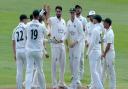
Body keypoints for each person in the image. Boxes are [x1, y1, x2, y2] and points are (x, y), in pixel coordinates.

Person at [25, 10, 47, 89]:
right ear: (38, 16)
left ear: (33, 15)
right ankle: (43, 87)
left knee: (29, 71)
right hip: (38, 51)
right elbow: (48, 34)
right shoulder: (41, 26)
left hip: (29, 50)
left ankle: (28, 87)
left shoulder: (27, 25)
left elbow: (26, 36)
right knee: (40, 70)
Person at [48, 6, 67, 89]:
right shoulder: (52, 19)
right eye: (57, 11)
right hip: (54, 45)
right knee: (54, 65)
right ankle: (54, 84)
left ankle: (61, 82)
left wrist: (63, 39)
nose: (58, 13)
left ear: (61, 12)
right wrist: (47, 11)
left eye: (59, 11)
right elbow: (46, 20)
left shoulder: (63, 21)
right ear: (55, 12)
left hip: (62, 45)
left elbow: (65, 33)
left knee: (63, 64)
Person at [67, 8, 84, 89]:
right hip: (71, 46)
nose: (72, 14)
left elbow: (82, 35)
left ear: (75, 13)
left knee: (76, 64)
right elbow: (67, 34)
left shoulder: (79, 23)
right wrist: (64, 42)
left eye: (73, 13)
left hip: (77, 46)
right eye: (71, 13)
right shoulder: (69, 22)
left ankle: (74, 85)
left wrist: (75, 42)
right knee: (71, 63)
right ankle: (75, 81)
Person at [86, 15, 104, 89]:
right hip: (98, 50)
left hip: (94, 52)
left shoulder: (95, 30)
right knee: (97, 70)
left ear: (96, 20)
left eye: (93, 19)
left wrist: (87, 52)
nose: (92, 20)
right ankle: (94, 86)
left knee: (93, 71)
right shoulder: (100, 28)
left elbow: (92, 43)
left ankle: (100, 87)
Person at [12, 14, 28, 89]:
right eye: (26, 19)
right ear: (24, 20)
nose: (27, 21)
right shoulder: (25, 27)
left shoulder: (15, 29)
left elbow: (13, 43)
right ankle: (28, 86)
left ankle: (19, 87)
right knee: (28, 70)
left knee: (19, 71)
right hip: (25, 50)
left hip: (18, 51)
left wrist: (14, 54)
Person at [101, 18, 116, 89]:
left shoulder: (110, 33)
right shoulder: (106, 31)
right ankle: (100, 86)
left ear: (107, 24)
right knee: (103, 70)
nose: (103, 24)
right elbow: (104, 43)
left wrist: (104, 53)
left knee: (111, 71)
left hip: (110, 54)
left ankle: (112, 87)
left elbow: (109, 45)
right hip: (105, 53)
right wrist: (103, 52)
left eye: (104, 23)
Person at [75, 5, 88, 80]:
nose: (78, 10)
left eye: (79, 9)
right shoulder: (73, 18)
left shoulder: (83, 19)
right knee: (74, 59)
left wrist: (86, 41)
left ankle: (80, 76)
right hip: (74, 41)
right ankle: (74, 75)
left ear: (81, 10)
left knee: (81, 59)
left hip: (81, 41)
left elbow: (86, 31)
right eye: (76, 9)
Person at [86, 10, 96, 88]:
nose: (91, 18)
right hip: (89, 48)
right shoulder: (87, 25)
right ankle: (92, 82)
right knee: (91, 66)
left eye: (93, 16)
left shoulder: (98, 25)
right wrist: (86, 42)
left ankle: (94, 84)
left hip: (96, 48)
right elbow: (86, 35)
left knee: (95, 67)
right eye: (90, 16)